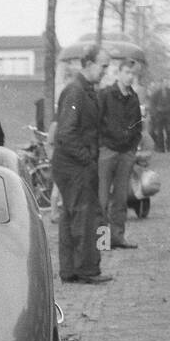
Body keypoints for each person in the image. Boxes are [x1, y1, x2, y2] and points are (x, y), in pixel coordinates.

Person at [52, 45, 112, 284]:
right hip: (74, 166)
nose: (105, 72)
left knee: (70, 218)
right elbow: (66, 133)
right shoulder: (76, 93)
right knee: (84, 218)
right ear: (88, 64)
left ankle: (70, 270)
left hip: (71, 164)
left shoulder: (83, 91)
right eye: (103, 66)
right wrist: (87, 159)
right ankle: (87, 269)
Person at [98, 56, 143, 250]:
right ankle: (101, 240)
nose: (130, 77)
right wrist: (102, 145)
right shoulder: (105, 95)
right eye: (126, 72)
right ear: (118, 73)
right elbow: (97, 121)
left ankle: (118, 237)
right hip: (107, 151)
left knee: (121, 198)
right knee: (102, 198)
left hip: (126, 154)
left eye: (133, 73)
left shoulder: (133, 98)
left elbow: (138, 126)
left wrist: (132, 149)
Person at [148, 78, 170, 151]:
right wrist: (155, 112)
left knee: (169, 131)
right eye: (163, 82)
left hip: (168, 114)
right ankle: (161, 148)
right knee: (160, 132)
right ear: (161, 83)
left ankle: (169, 147)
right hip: (159, 115)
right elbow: (152, 103)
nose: (165, 84)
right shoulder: (156, 93)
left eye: (166, 82)